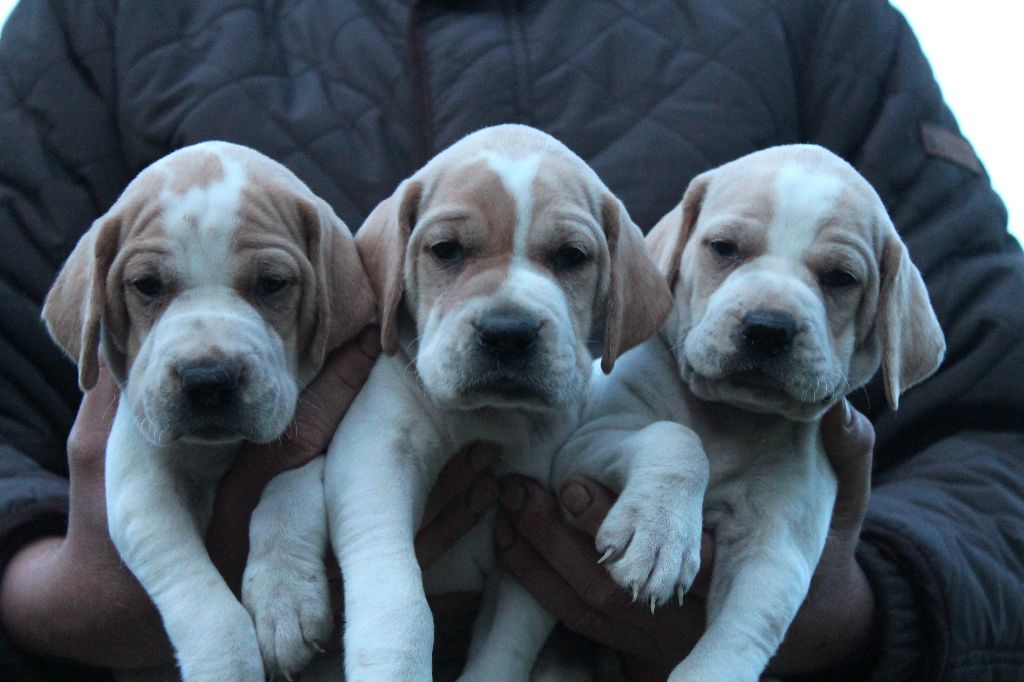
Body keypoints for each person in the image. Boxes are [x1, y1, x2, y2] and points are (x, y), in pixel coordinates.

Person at [0, 1, 1020, 680]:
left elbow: (998, 417)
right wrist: (41, 594)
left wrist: (871, 607)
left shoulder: (814, 19)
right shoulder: (106, 17)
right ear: (389, 277)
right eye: (446, 251)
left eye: (573, 261)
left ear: (625, 288)